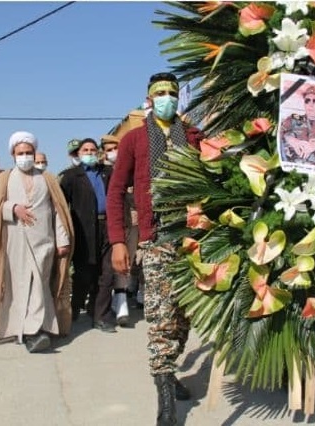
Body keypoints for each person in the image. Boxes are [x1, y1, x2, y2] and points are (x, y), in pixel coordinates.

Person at [106, 72, 204, 424]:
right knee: (162, 317)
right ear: (149, 99)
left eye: (171, 93)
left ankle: (169, 368)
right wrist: (119, 241)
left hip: (192, 240)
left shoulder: (192, 136)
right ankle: (165, 402)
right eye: (160, 93)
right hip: (156, 238)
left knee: (186, 315)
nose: (166, 98)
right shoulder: (134, 139)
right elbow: (116, 191)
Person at [0, 131, 73, 353]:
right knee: (18, 286)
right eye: (21, 153)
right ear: (13, 154)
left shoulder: (47, 178)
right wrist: (12, 208)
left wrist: (63, 240)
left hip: (43, 242)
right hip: (15, 242)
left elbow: (58, 211)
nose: (25, 157)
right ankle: (22, 329)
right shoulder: (4, 178)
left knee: (39, 285)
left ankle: (37, 330)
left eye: (29, 152)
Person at [61, 138, 117, 333]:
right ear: (79, 153)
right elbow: (61, 205)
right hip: (83, 230)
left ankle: (101, 316)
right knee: (84, 273)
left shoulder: (108, 172)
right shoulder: (70, 176)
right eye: (85, 150)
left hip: (107, 227)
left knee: (107, 273)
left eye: (93, 150)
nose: (90, 153)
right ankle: (75, 307)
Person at [100, 134, 131, 325]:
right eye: (108, 150)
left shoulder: (130, 166)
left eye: (115, 148)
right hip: (109, 224)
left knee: (128, 260)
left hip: (130, 220)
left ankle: (122, 297)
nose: (113, 153)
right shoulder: (102, 172)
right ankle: (116, 299)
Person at [279, 85, 315, 167]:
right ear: (304, 104)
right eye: (307, 101)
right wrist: (292, 140)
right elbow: (279, 132)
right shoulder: (293, 119)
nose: (311, 104)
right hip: (293, 164)